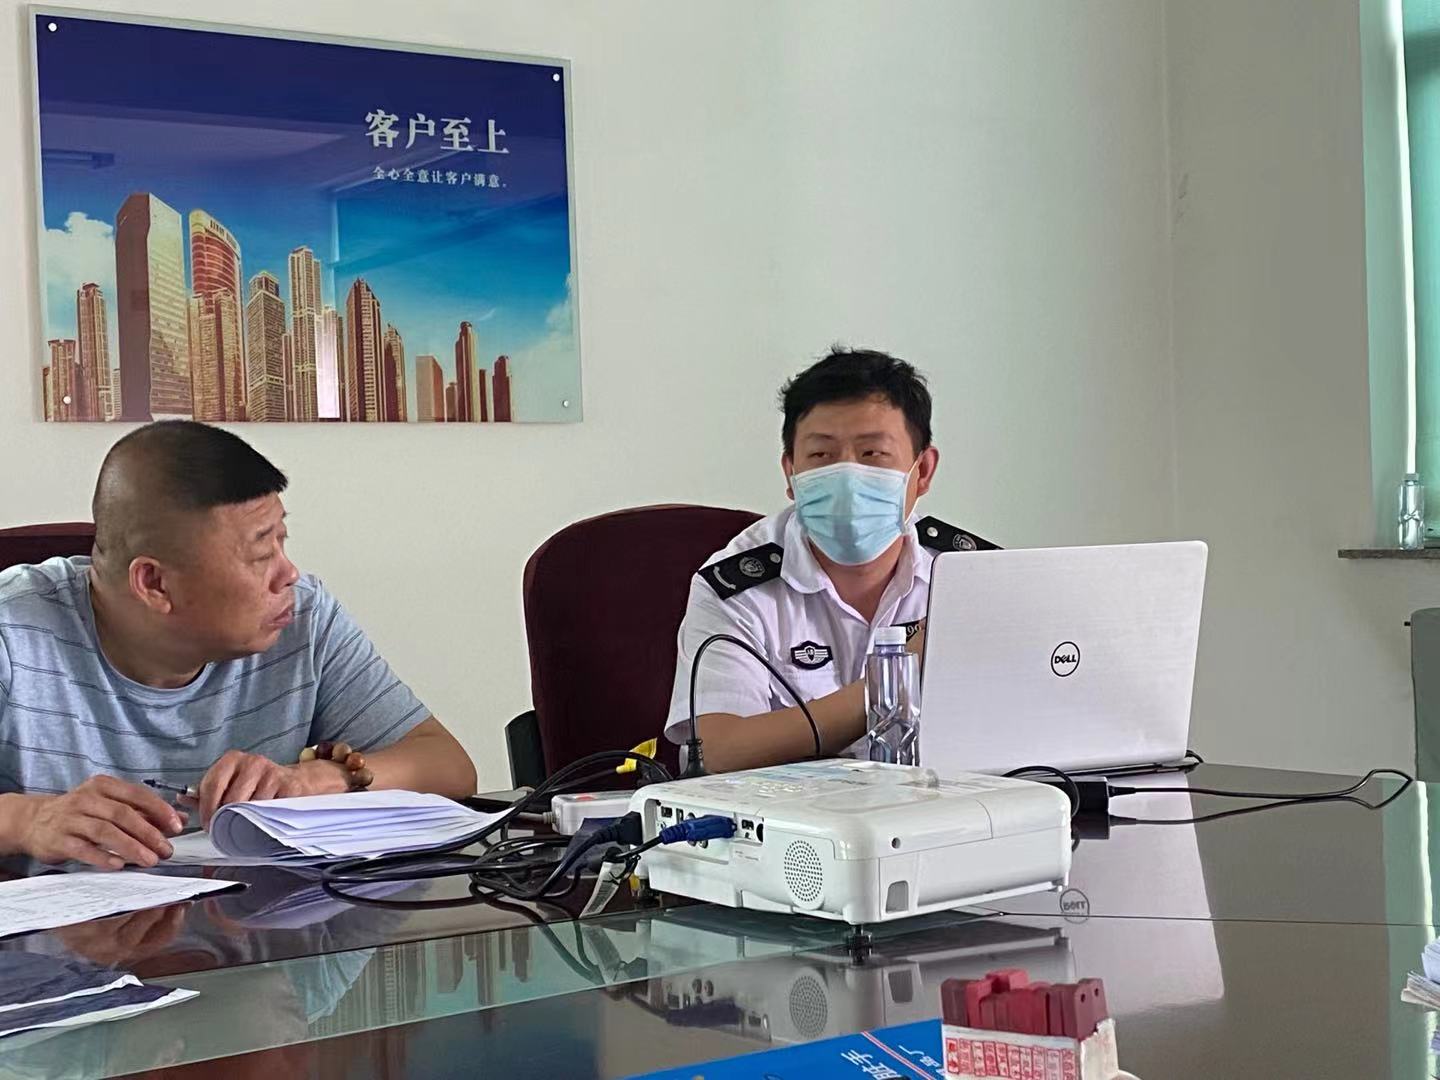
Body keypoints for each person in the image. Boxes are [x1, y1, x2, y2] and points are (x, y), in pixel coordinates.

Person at [0, 421, 477, 869]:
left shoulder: (301, 618)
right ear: (155, 583)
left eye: (283, 541)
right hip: (66, 927)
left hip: (256, 921)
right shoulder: (13, 630)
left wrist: (321, 780)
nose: (288, 573)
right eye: (262, 553)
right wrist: (26, 820)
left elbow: (449, 768)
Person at [663, 348, 996, 773]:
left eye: (872, 454)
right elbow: (718, 752)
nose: (847, 477)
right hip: (792, 814)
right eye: (821, 456)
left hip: (951, 807)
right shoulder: (734, 587)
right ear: (790, 472)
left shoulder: (977, 579)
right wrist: (897, 678)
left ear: (923, 471)